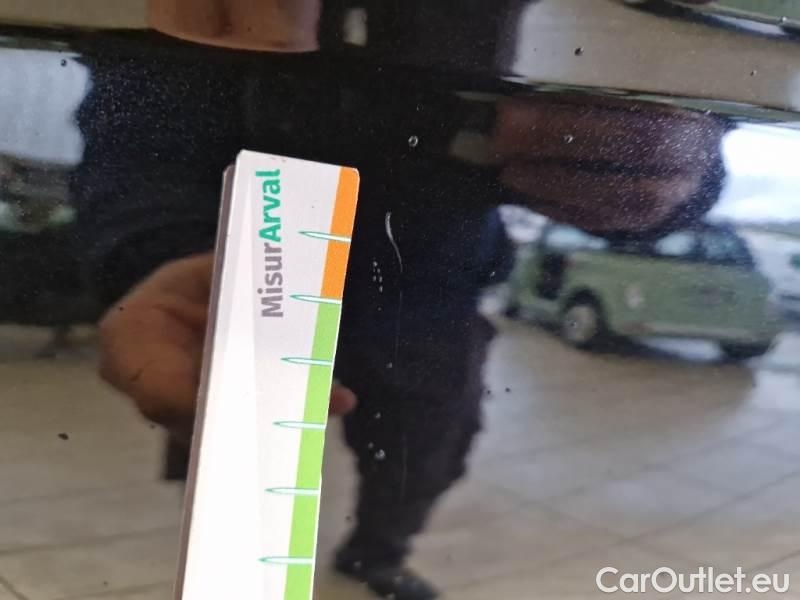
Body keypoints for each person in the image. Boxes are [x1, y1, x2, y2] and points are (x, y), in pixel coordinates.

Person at [76, 2, 729, 599]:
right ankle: (240, 568)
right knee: (237, 460)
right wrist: (160, 254)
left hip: (428, 281)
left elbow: (673, 111)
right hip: (257, 252)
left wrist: (673, 173)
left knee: (426, 451)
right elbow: (146, 101)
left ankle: (377, 555)